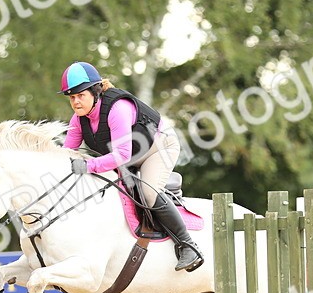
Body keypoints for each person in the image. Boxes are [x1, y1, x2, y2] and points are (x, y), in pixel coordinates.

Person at [59, 61, 204, 272]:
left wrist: (89, 165)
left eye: (81, 95)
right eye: (72, 97)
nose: (76, 102)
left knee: (147, 192)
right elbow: (66, 154)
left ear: (95, 91)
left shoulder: (117, 109)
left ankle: (188, 245)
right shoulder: (78, 120)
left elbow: (122, 155)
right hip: (129, 156)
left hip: (158, 148)